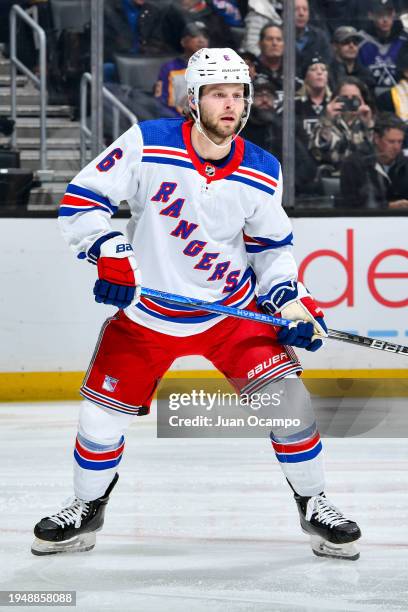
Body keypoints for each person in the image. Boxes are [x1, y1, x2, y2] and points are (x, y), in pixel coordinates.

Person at [31, 48, 361, 561]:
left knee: (291, 406)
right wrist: (112, 252)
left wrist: (292, 303)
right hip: (147, 317)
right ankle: (85, 506)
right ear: (194, 99)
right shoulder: (147, 142)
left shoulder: (262, 168)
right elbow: (82, 199)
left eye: (238, 94)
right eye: (217, 94)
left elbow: (272, 250)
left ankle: (314, 503)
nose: (230, 104)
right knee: (98, 424)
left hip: (231, 314)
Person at [339, 112, 408, 208]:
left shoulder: (405, 164)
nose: (396, 147)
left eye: (400, 142)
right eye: (391, 142)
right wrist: (388, 207)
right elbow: (350, 206)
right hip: (366, 221)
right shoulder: (353, 164)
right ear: (376, 138)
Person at [309, 76, 375, 170]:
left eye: (354, 98)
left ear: (363, 99)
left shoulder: (372, 122)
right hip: (332, 175)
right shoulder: (325, 122)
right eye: (345, 98)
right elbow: (317, 154)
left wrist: (368, 124)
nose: (350, 102)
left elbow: (376, 153)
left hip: (363, 176)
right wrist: (327, 122)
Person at [154, 22, 210, 117]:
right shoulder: (170, 68)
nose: (201, 40)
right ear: (183, 42)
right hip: (178, 122)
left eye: (205, 36)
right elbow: (162, 104)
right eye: (194, 36)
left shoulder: (215, 67)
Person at [358, 0, 408, 91]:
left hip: (401, 97)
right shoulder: (360, 41)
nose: (385, 20)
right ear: (371, 15)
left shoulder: (405, 41)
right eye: (380, 15)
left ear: (393, 14)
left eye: (388, 14)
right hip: (370, 96)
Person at [295, 55, 332, 142]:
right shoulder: (295, 105)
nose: (319, 72)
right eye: (313, 69)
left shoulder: (334, 103)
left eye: (323, 69)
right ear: (306, 77)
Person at [329, 26, 376, 91]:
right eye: (346, 42)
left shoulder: (366, 74)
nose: (352, 45)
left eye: (355, 42)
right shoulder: (328, 74)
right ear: (335, 46)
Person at [295, 0, 333, 78]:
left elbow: (327, 64)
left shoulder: (320, 37)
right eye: (296, 9)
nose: (301, 14)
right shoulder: (277, 36)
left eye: (305, 10)